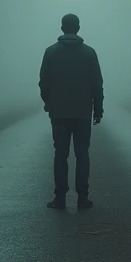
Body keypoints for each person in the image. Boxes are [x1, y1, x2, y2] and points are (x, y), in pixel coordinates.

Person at [39, 13, 104, 210]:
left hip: (59, 113)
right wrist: (98, 109)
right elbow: (97, 84)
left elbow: (44, 83)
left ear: (62, 28)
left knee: (61, 154)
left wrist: (49, 102)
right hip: (83, 112)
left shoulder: (50, 52)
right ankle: (82, 198)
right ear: (78, 28)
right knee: (82, 154)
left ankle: (60, 198)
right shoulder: (89, 53)